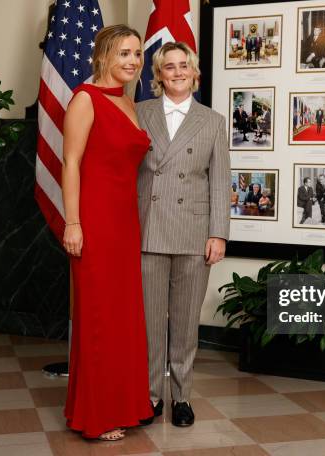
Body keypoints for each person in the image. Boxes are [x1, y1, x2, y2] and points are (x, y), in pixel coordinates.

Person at [61, 24, 152, 441]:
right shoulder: (85, 98)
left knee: (122, 316)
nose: (133, 62)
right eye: (124, 54)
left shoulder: (129, 102)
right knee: (98, 316)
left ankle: (126, 404)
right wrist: (73, 222)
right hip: (94, 221)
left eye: (136, 54)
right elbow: (71, 164)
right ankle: (96, 414)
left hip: (125, 221)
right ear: (103, 56)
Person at [136, 41, 231, 427]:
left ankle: (182, 398)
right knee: (151, 322)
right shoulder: (139, 112)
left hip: (194, 231)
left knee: (186, 321)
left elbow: (221, 181)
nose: (177, 72)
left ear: (195, 73)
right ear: (157, 75)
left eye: (183, 66)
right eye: (168, 67)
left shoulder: (213, 120)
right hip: (148, 227)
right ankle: (150, 395)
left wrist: (218, 233)